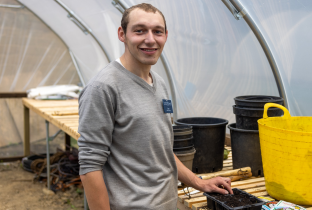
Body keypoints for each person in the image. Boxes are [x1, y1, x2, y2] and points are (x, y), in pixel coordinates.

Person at [77, 3, 233, 210]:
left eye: (157, 32)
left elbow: (162, 151)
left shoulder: (158, 83)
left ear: (165, 36)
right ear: (122, 34)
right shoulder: (103, 88)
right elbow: (90, 168)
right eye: (140, 30)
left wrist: (198, 182)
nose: (150, 39)